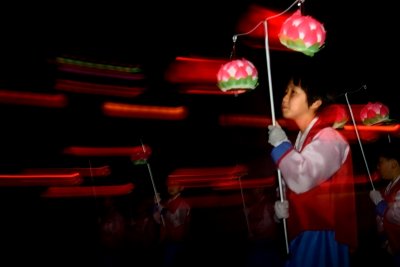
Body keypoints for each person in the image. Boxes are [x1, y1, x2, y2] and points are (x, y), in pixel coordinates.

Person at [267, 65, 358, 267]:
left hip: (323, 236)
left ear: (316, 102)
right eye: (285, 91)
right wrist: (283, 210)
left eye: (293, 92)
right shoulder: (300, 141)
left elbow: (303, 176)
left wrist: (281, 146)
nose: (284, 97)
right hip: (301, 233)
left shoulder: (330, 137)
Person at [369, 139, 400, 266]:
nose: (378, 166)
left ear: (393, 164)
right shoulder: (389, 187)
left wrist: (381, 205)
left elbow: (398, 215)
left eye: (381, 162)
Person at [153, 178, 191, 267]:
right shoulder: (167, 203)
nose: (171, 187)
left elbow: (177, 221)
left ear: (181, 188)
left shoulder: (184, 204)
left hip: (179, 243)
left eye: (175, 185)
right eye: (169, 185)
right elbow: (158, 220)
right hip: (167, 241)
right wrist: (156, 205)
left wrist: (162, 210)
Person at [244, 186, 283, 267]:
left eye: (256, 187)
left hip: (267, 244)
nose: (253, 190)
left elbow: (272, 222)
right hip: (258, 244)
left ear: (261, 189)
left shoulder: (268, 204)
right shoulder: (253, 205)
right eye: (253, 187)